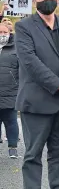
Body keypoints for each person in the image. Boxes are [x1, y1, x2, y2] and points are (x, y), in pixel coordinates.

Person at [15, 0, 59, 189]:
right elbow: (29, 61)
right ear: (35, 1)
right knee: (32, 153)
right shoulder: (24, 27)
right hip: (37, 102)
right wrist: (57, 83)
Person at [0, 23, 19, 158]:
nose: (2, 35)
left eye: (4, 32)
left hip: (11, 90)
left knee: (11, 121)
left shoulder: (16, 47)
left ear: (10, 32)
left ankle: (13, 147)